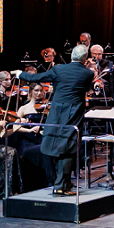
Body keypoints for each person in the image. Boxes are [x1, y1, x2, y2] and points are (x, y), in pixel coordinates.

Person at [17, 45, 96, 195]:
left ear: (71, 56)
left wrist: (20, 74)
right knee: (68, 150)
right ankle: (61, 185)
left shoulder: (58, 69)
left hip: (56, 113)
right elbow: (85, 90)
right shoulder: (87, 73)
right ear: (85, 59)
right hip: (73, 114)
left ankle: (62, 184)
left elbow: (36, 77)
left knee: (61, 148)